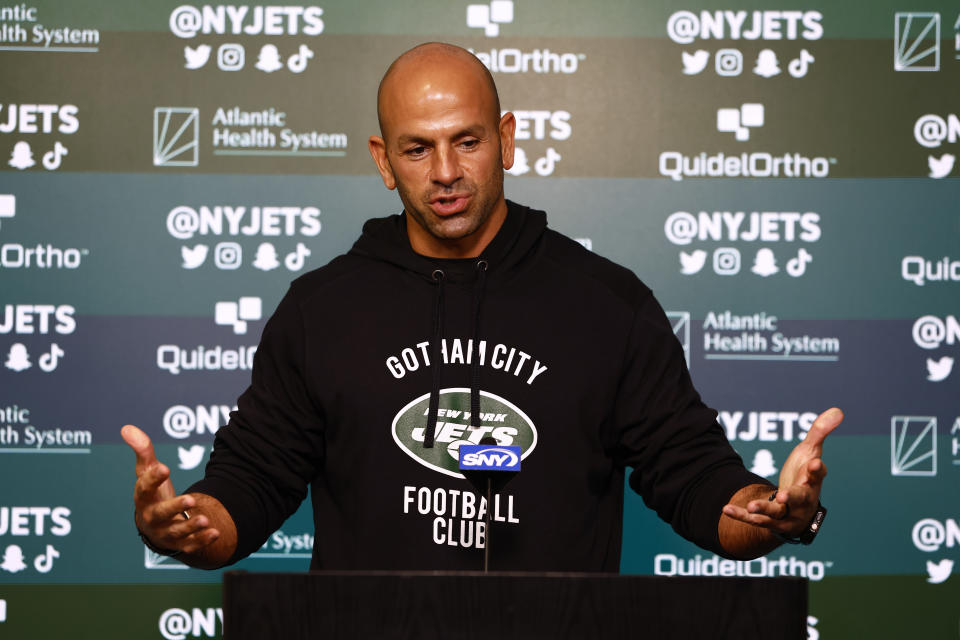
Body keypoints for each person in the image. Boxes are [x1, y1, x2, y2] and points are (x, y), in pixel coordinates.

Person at [123, 42, 842, 571]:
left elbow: (691, 476)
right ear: (382, 160)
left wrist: (774, 516)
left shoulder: (606, 304)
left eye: (466, 142)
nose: (444, 173)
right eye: (416, 149)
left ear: (506, 139)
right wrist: (186, 523)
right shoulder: (322, 309)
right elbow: (252, 479)